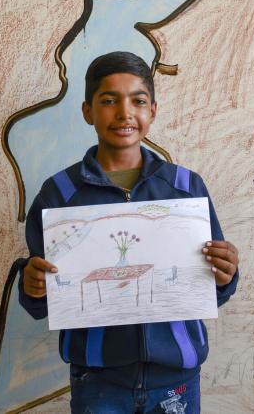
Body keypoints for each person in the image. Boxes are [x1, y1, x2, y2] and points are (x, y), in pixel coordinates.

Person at [18, 51, 239, 413]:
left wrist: (226, 274)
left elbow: (214, 288)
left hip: (177, 380)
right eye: (108, 101)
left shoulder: (185, 187)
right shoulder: (59, 194)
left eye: (137, 100)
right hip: (98, 381)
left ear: (152, 110)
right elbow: (40, 297)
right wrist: (32, 287)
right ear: (87, 111)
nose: (124, 113)